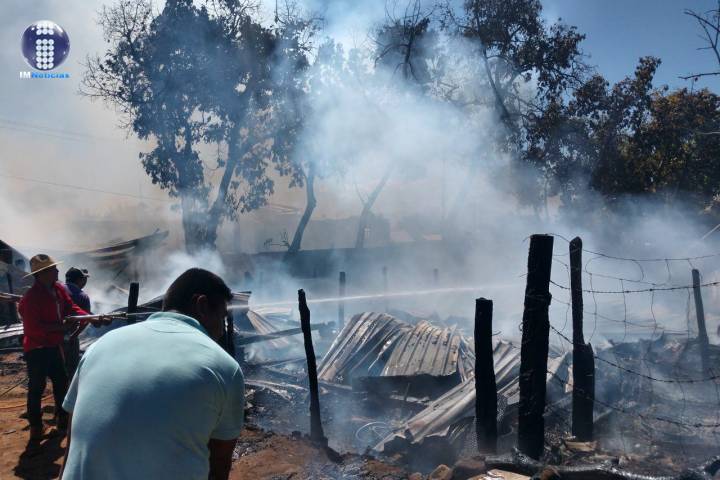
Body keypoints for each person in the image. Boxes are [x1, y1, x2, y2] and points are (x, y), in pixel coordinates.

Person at [61, 268, 245, 480]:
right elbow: (219, 464)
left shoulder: (99, 346)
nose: (221, 330)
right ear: (202, 305)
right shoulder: (224, 367)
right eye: (221, 317)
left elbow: (72, 444)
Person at [17, 254, 90, 441]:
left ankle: (62, 422)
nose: (57, 271)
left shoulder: (58, 290)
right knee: (37, 387)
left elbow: (71, 307)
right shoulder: (31, 298)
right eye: (52, 269)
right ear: (41, 274)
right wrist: (61, 328)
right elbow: (33, 329)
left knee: (61, 382)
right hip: (37, 349)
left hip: (53, 346)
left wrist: (88, 317)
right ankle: (36, 427)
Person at [63, 267, 91, 378]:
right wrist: (74, 336)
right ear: (80, 280)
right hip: (69, 336)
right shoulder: (82, 296)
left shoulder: (57, 289)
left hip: (50, 335)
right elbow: (85, 320)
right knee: (71, 368)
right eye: (85, 279)